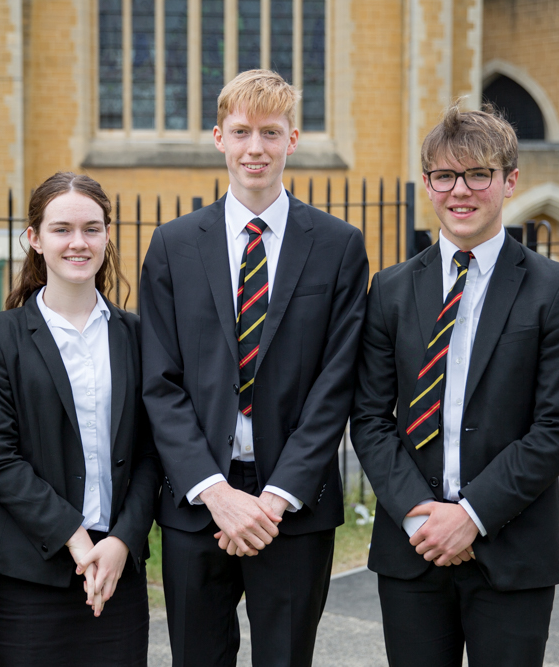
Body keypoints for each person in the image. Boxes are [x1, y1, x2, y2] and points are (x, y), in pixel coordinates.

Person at [139, 69, 369, 667]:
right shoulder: (173, 244)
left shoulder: (339, 245)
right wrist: (215, 492)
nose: (255, 148)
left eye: (271, 132)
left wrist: (273, 499)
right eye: (241, 132)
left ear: (293, 139)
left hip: (293, 507)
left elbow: (336, 380)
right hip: (198, 508)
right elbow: (159, 382)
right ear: (219, 137)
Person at [350, 102, 559, 667]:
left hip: (511, 551)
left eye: (478, 174)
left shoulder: (556, 290)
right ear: (428, 183)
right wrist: (421, 514)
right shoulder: (389, 290)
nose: (460, 191)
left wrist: (472, 515)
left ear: (509, 181)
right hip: (413, 549)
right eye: (444, 176)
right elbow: (369, 417)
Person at [0, 172, 160, 666]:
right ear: (33, 239)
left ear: (108, 235)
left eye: (92, 229)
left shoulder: (137, 335)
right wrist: (76, 538)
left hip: (117, 573)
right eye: (62, 229)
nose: (79, 242)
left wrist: (121, 540)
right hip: (30, 575)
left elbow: (152, 454)